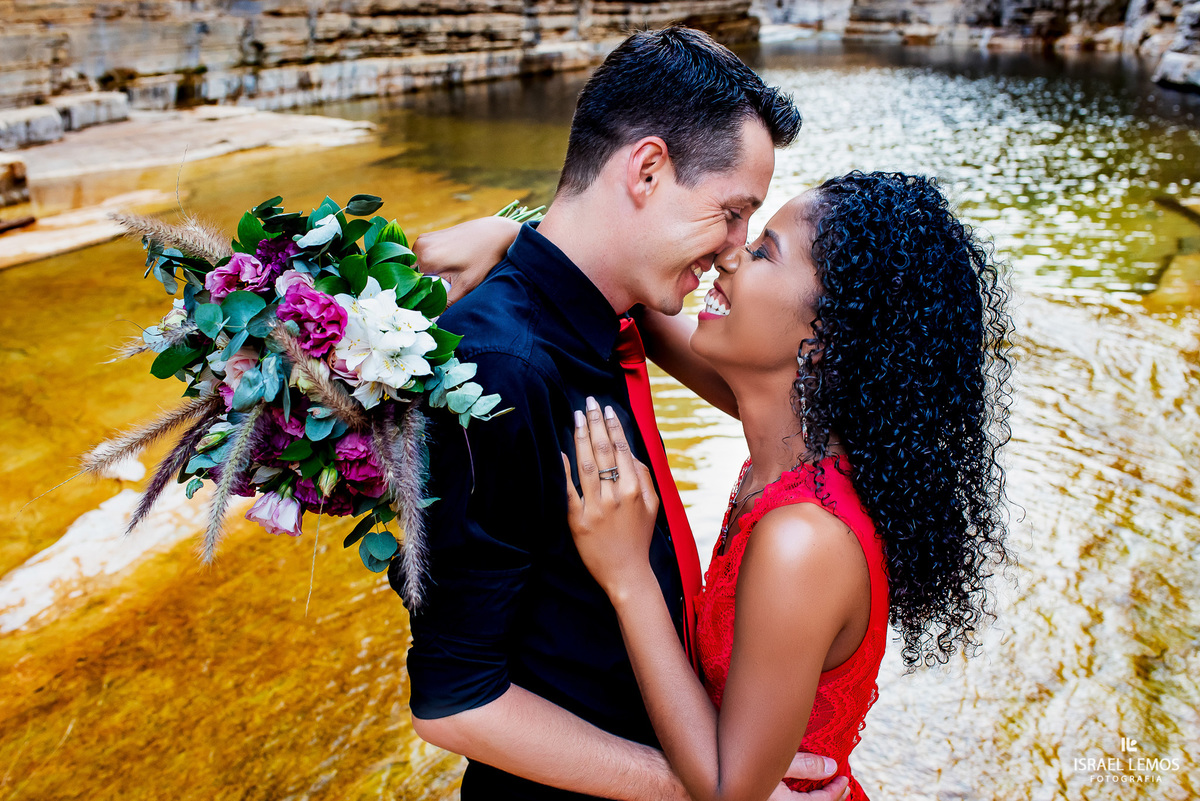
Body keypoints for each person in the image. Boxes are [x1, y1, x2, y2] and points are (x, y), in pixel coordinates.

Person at [427, 172, 1014, 800]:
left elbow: (733, 792)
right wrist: (516, 235)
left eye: (763, 251)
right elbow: (624, 292)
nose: (728, 257)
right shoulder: (795, 433)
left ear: (824, 341)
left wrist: (628, 576)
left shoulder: (803, 541)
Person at [388, 25, 851, 801]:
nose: (736, 249)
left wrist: (515, 234)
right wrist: (708, 790)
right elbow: (455, 700)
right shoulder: (498, 370)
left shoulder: (617, 310)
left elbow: (782, 397)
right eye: (732, 212)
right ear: (647, 169)